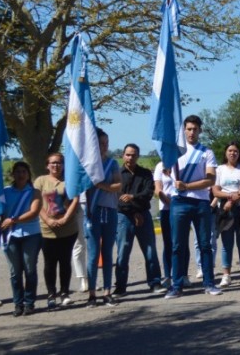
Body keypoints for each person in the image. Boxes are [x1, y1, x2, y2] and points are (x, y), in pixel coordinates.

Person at [166, 115, 221, 298]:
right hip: (179, 202)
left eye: (195, 129)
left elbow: (210, 179)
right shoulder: (174, 152)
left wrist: (188, 186)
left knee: (205, 245)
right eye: (188, 129)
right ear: (183, 130)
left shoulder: (207, 153)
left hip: (201, 202)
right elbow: (166, 171)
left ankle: (209, 283)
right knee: (177, 245)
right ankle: (177, 285)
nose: (191, 132)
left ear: (200, 131)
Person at [114, 144, 164, 296]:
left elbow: (148, 193)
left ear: (138, 156)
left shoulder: (145, 173)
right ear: (123, 155)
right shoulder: (117, 174)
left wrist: (133, 199)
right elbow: (118, 197)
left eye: (134, 155)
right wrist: (133, 208)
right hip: (123, 217)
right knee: (123, 252)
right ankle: (120, 287)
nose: (131, 157)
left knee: (150, 251)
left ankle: (155, 282)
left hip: (144, 215)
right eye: (128, 154)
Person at [34, 152, 80, 311]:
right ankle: (51, 294)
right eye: (53, 163)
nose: (56, 166)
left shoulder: (70, 180)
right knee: (49, 263)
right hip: (47, 229)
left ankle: (65, 293)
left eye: (59, 163)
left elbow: (75, 200)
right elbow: (37, 203)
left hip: (68, 228)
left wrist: (65, 219)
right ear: (47, 165)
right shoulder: (40, 181)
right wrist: (48, 220)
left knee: (65, 261)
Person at [84, 128, 121, 307]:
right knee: (93, 255)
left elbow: (118, 185)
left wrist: (101, 185)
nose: (104, 146)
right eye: (100, 143)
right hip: (93, 212)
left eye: (106, 143)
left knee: (107, 253)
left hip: (110, 210)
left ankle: (107, 291)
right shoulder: (87, 164)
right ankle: (92, 293)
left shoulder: (112, 164)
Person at [0, 161, 42, 317]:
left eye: (24, 171)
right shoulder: (5, 192)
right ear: (13, 174)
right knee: (15, 272)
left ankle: (29, 303)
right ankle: (18, 303)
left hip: (30, 234)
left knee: (29, 269)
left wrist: (13, 220)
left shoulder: (34, 192)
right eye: (17, 171)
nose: (20, 174)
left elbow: (34, 211)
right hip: (11, 236)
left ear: (28, 174)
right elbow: (0, 212)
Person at [212, 141, 240, 287]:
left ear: (239, 153)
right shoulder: (219, 170)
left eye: (235, 151)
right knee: (226, 243)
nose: (233, 153)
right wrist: (230, 198)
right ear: (225, 153)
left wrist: (236, 197)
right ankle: (226, 275)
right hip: (225, 209)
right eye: (230, 150)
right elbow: (216, 191)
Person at [154, 161, 187, 289]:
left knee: (182, 243)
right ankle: (168, 276)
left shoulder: (182, 163)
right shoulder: (160, 166)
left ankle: (183, 275)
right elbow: (158, 189)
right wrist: (170, 203)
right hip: (166, 209)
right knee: (168, 243)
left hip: (182, 208)